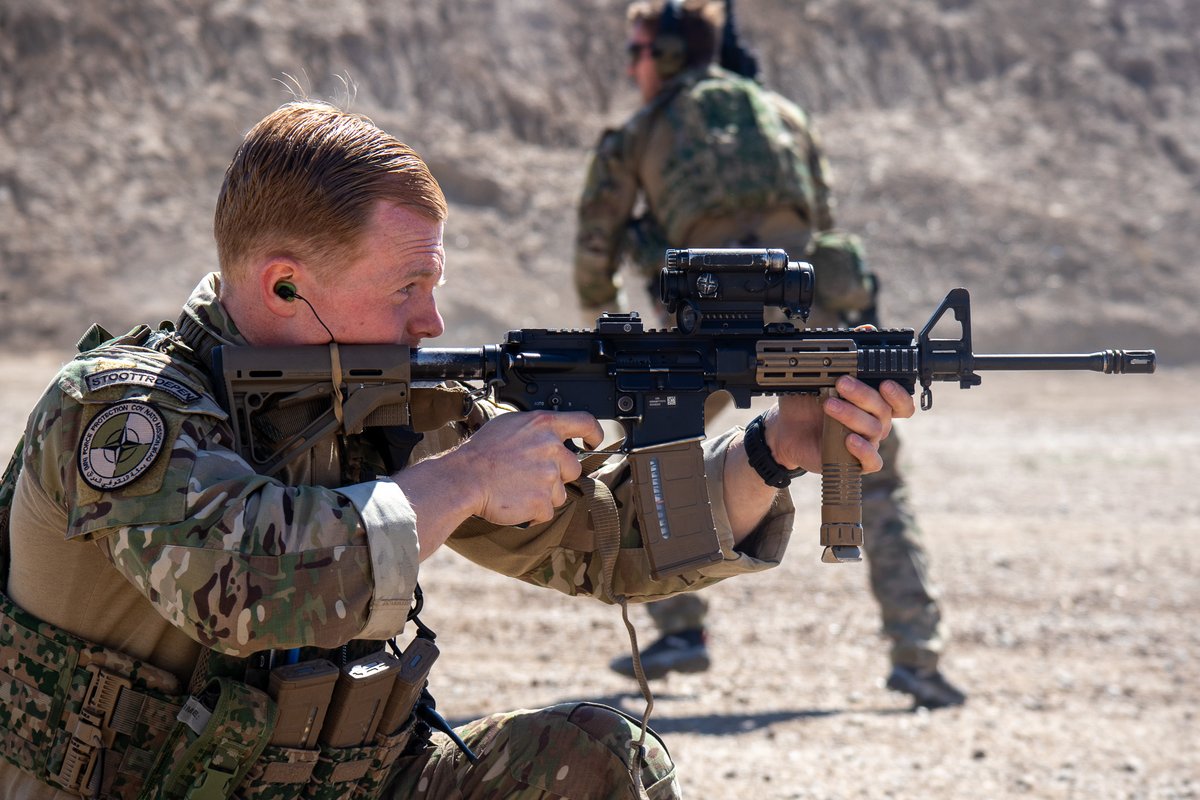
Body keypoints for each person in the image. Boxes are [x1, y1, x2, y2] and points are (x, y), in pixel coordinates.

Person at [0, 100, 912, 799]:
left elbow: (610, 537)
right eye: (408, 286)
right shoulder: (120, 412)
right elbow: (246, 585)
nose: (431, 320)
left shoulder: (386, 401)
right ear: (283, 285)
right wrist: (468, 477)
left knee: (597, 761)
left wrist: (776, 450)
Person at [573, 0, 966, 710]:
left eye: (637, 52)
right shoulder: (785, 116)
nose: (631, 68)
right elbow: (825, 220)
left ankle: (680, 625)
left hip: (710, 328)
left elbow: (594, 250)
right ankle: (919, 654)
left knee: (654, 454)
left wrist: (615, 340)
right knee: (875, 468)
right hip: (813, 312)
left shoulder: (641, 132)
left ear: (668, 55)